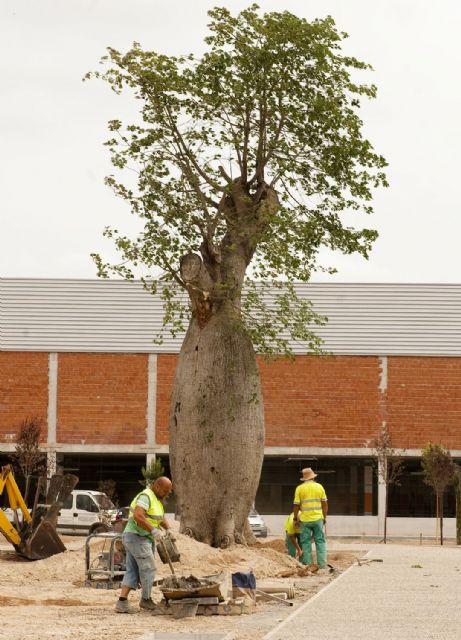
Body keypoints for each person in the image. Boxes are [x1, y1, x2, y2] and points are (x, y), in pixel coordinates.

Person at [115, 476, 173, 614]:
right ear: (157, 487)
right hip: (137, 536)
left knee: (133, 570)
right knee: (149, 567)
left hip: (139, 537)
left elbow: (159, 518)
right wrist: (153, 530)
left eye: (169, 491)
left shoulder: (157, 500)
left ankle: (122, 602)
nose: (167, 494)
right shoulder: (146, 496)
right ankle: (146, 600)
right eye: (165, 490)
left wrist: (168, 528)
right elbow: (138, 516)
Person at [293, 467, 328, 570]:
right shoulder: (319, 487)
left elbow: (296, 505)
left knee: (305, 542)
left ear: (304, 478)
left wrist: (295, 518)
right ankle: (322, 565)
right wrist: (324, 517)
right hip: (318, 520)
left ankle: (307, 565)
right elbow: (325, 504)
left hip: (305, 520)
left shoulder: (299, 488)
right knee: (320, 541)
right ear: (313, 477)